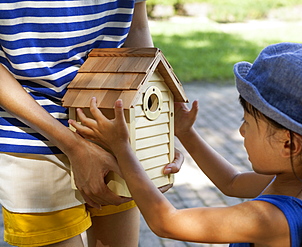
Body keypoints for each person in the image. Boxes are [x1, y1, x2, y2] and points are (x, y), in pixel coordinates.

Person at [70, 42, 302, 247]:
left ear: (289, 143)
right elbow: (232, 181)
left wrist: (123, 148)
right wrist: (185, 133)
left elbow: (166, 222)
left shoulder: (269, 217)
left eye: (248, 124)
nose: (240, 132)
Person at [0, 0, 182, 246]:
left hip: (114, 128)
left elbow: (136, 28)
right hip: (32, 136)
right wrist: (75, 146)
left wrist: (151, 128)